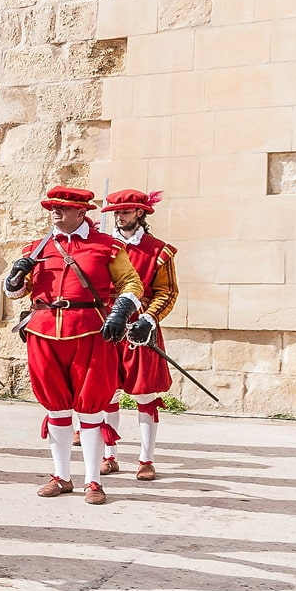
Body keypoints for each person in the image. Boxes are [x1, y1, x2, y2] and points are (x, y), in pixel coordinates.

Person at [3, 185, 145, 504]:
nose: (55, 212)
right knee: (56, 408)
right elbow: (15, 293)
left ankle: (93, 481)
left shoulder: (107, 247)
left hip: (91, 334)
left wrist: (121, 311)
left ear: (81, 212)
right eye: (52, 207)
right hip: (43, 334)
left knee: (91, 409)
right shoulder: (34, 248)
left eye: (62, 208)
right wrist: (13, 279)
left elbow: (131, 282)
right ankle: (61, 476)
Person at [100, 189, 180, 481]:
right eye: (116, 213)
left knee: (145, 395)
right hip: (107, 327)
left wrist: (149, 318)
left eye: (126, 212)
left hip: (139, 330)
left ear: (140, 213)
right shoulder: (103, 247)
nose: (120, 217)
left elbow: (167, 292)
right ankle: (109, 455)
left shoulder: (158, 251)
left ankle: (146, 459)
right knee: (106, 393)